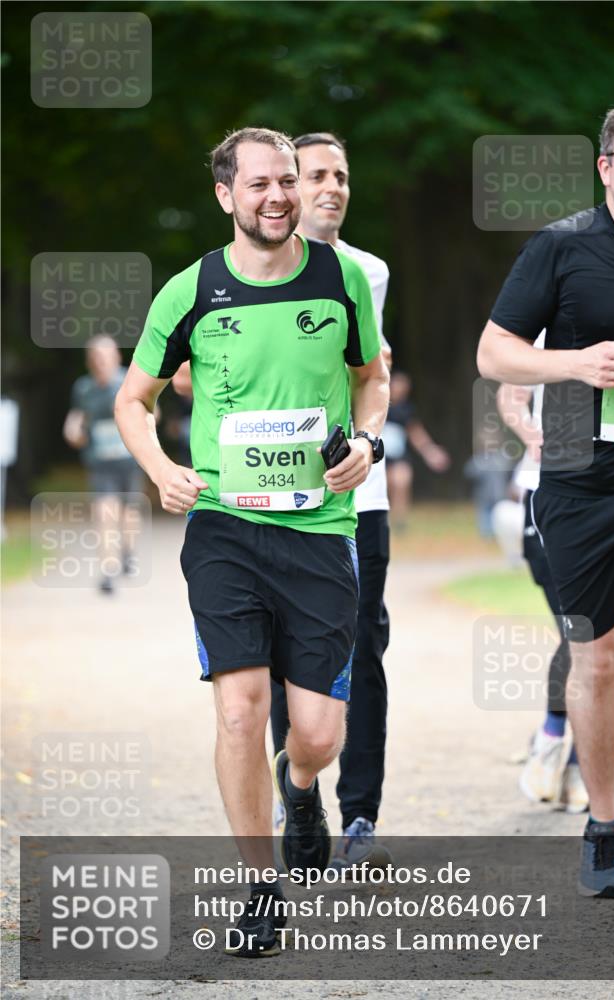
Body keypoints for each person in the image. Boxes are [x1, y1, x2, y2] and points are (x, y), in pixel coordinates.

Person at [114, 127, 389, 955]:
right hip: (225, 528)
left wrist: (368, 441)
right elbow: (133, 398)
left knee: (318, 734)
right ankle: (259, 887)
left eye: (286, 182)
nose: (278, 197)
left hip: (319, 530)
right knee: (239, 711)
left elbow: (371, 377)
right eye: (259, 184)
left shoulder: (339, 277)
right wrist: (160, 468)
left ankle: (298, 783)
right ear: (225, 195)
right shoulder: (190, 291)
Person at [477, 99, 614, 907]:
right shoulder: (562, 246)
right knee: (599, 657)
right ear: (604, 167)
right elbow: (494, 353)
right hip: (580, 479)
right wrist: (574, 364)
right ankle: (603, 822)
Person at [268, 131, 392, 872]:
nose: (331, 187)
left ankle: (362, 814)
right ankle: (298, 799)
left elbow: (372, 370)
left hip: (358, 494)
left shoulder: (368, 272)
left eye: (340, 175)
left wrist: (366, 430)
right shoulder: (245, 272)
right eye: (316, 174)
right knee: (285, 652)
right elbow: (185, 374)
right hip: (275, 494)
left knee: (362, 648)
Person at [496, 358, 589, 815]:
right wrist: (534, 436)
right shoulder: (549, 326)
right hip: (549, 492)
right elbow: (509, 394)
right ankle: (553, 738)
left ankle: (577, 763)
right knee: (580, 631)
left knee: (606, 638)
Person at [63, 335, 143, 594]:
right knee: (105, 514)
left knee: (129, 513)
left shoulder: (130, 381)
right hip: (100, 463)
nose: (102, 363)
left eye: (106, 357)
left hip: (129, 460)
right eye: (96, 358)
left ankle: (128, 553)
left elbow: (153, 411)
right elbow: (76, 417)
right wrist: (73, 431)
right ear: (90, 362)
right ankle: (108, 571)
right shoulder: (83, 388)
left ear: (116, 358)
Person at [384, 370, 450, 531]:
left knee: (401, 483)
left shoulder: (406, 410)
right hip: (379, 457)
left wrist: (431, 452)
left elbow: (416, 434)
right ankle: (382, 520)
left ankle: (400, 521)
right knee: (385, 486)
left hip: (398, 455)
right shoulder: (377, 404)